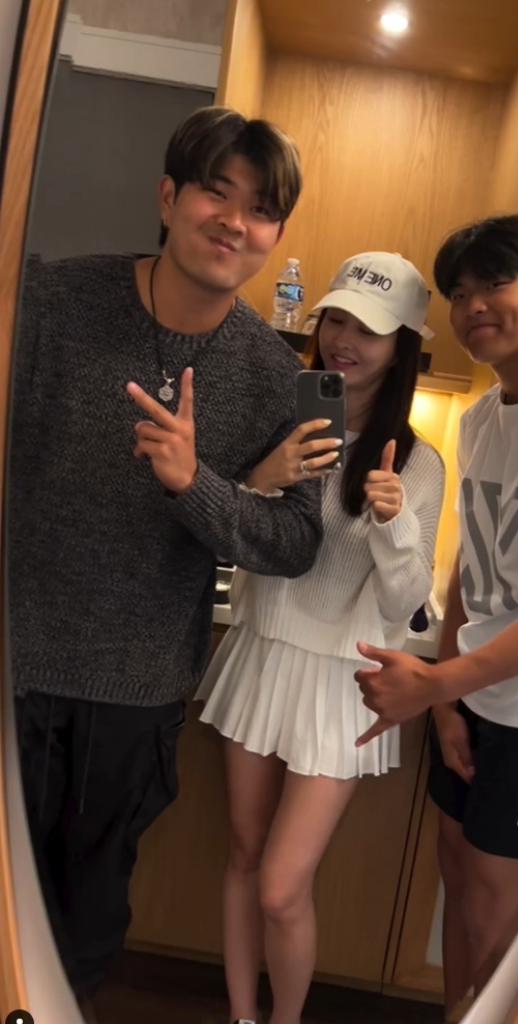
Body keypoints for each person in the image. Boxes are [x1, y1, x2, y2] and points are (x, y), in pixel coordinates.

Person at [7, 106, 323, 1012]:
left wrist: (198, 486)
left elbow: (294, 543)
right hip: (16, 665)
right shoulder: (50, 303)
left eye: (260, 210)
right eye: (216, 194)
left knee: (83, 926)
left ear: (275, 236)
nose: (234, 223)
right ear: (168, 197)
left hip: (136, 693)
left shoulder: (277, 377)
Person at [196, 252, 445, 1024]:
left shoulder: (418, 462)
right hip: (263, 651)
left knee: (281, 885)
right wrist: (261, 479)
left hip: (342, 678)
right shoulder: (284, 425)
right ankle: (242, 1016)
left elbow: (406, 603)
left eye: (368, 329)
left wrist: (391, 519)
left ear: (401, 346)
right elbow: (235, 537)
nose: (344, 339)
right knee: (244, 856)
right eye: (335, 319)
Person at [354, 215, 518, 1022]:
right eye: (457, 292)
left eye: (493, 283)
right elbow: (471, 571)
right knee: (455, 878)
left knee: (500, 916)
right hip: (475, 698)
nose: (471, 305)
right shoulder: (484, 416)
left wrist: (438, 682)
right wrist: (448, 698)